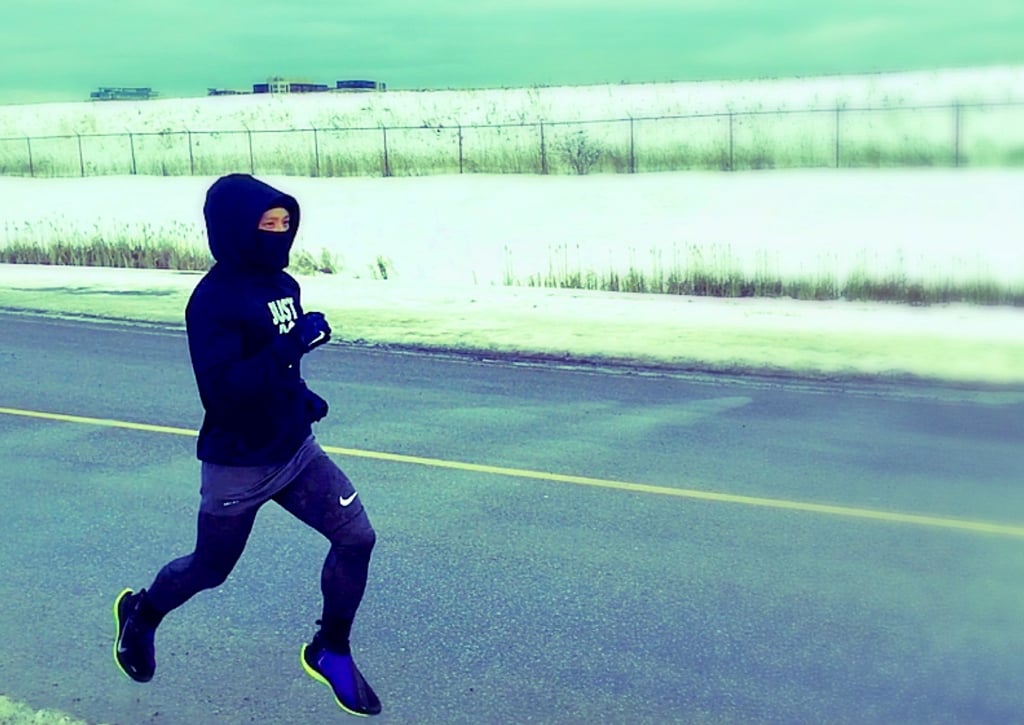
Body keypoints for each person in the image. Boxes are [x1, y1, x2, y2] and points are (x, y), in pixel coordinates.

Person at [112, 173, 381, 717]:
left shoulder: (283, 285)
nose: (279, 234)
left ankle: (331, 648)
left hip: (295, 449)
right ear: (237, 230)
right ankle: (142, 613)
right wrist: (291, 345)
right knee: (209, 570)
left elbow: (282, 364)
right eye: (267, 225)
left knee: (357, 538)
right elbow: (223, 391)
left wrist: (302, 396)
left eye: (286, 224)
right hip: (238, 462)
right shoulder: (211, 301)